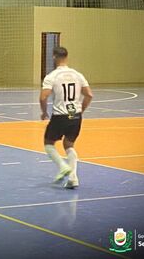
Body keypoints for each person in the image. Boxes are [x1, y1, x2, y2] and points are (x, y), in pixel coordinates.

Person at [39, 47, 93, 189]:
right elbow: (89, 95)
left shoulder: (52, 76)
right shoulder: (78, 75)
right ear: (67, 57)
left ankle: (63, 166)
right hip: (75, 116)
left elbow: (43, 96)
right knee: (69, 145)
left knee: (48, 143)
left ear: (54, 57)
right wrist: (81, 110)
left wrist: (44, 112)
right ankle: (73, 178)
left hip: (60, 115)